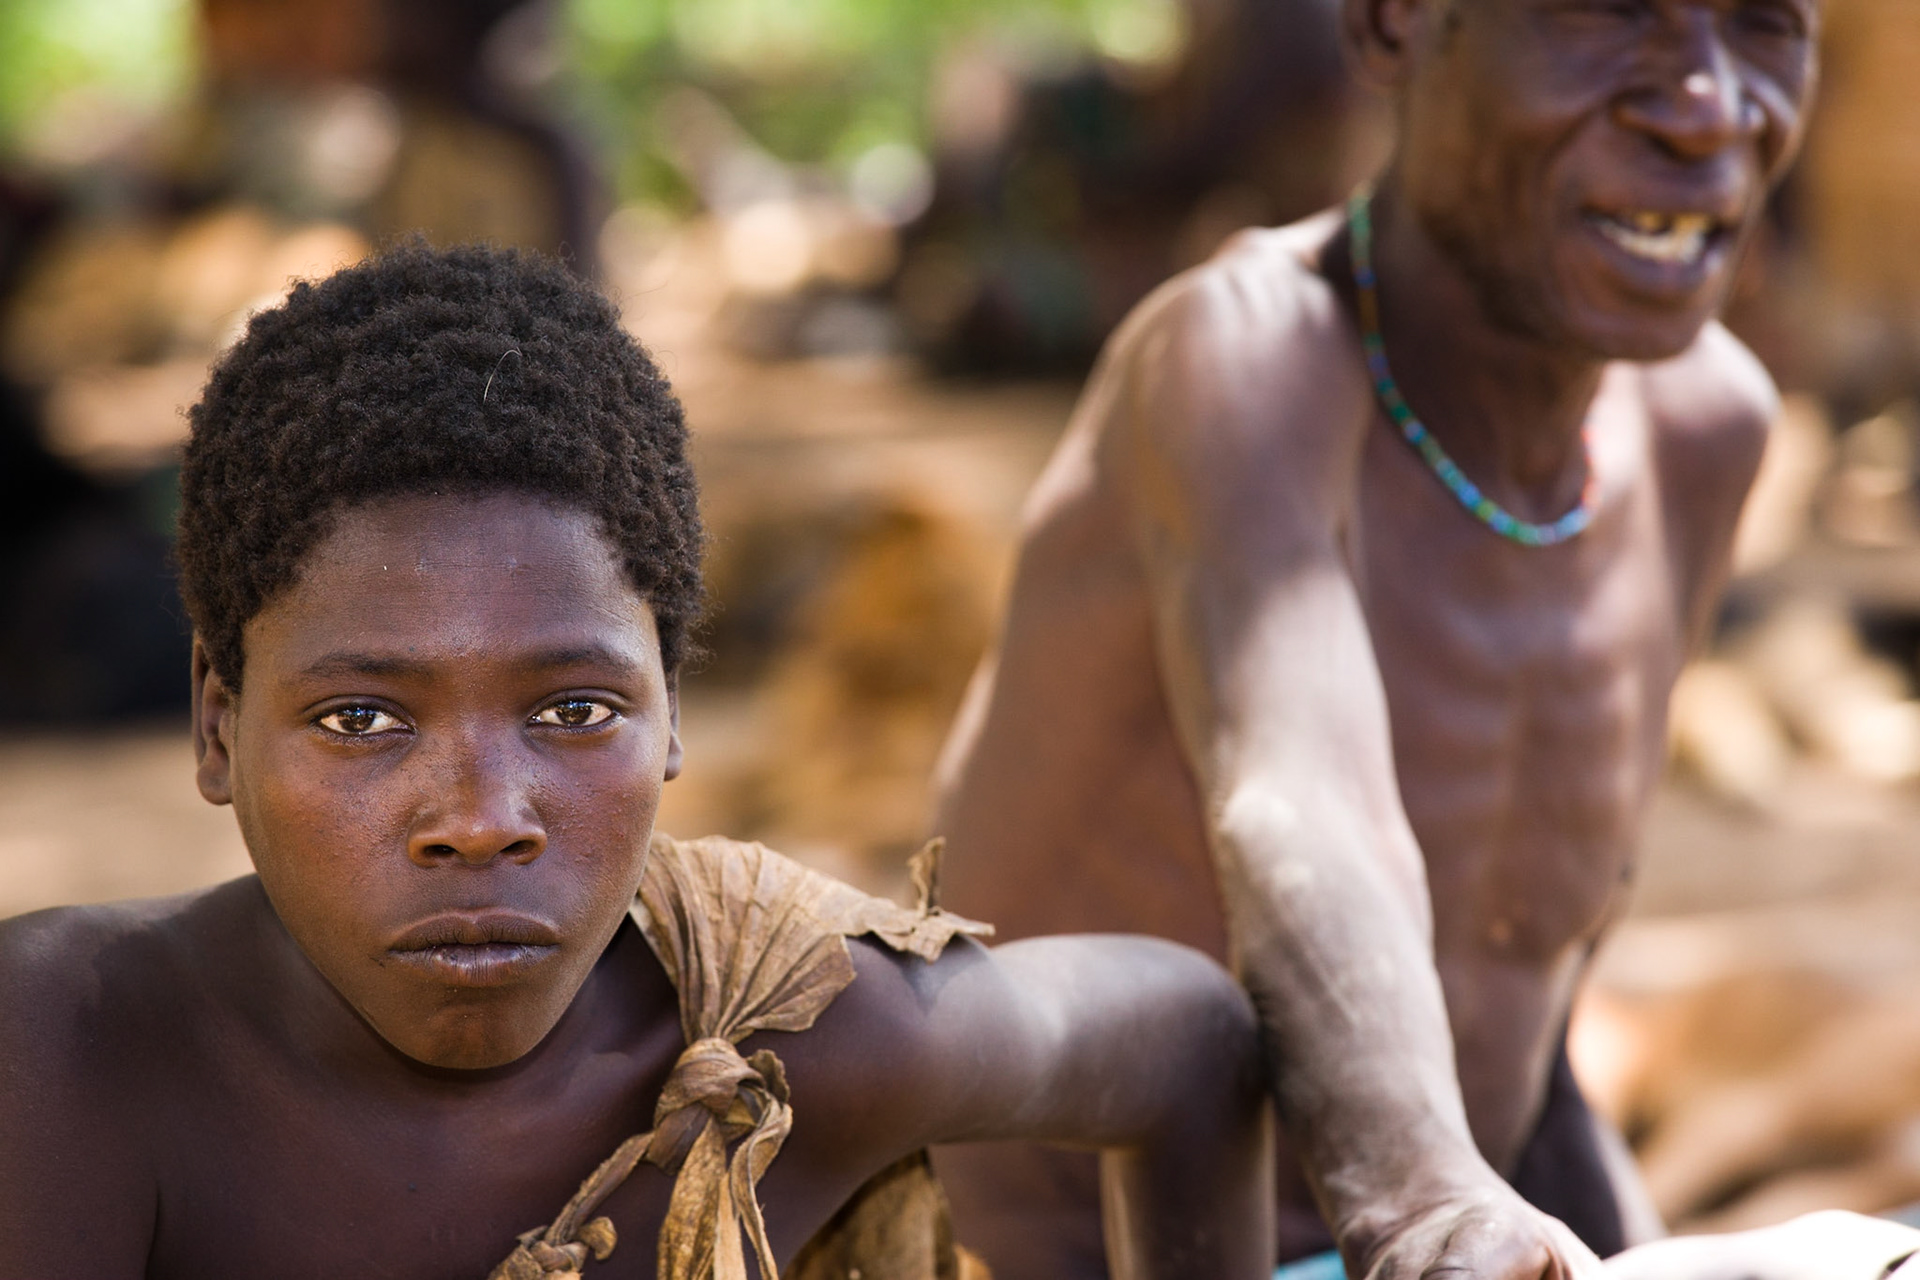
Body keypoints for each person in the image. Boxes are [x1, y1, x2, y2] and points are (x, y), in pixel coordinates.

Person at [0, 244, 1274, 1280]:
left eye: (572, 709)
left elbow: (1189, 1034)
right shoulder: (75, 1054)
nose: (481, 819)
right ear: (218, 725)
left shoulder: (786, 1042)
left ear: (670, 711)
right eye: (361, 720)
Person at [927, 0, 1820, 1277]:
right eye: (1610, 12)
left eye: (1767, 26)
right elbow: (1298, 808)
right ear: (1395, 25)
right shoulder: (1248, 357)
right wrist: (1427, 1209)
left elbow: (1528, 1013)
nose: (1711, 107)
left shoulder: (1704, 428)